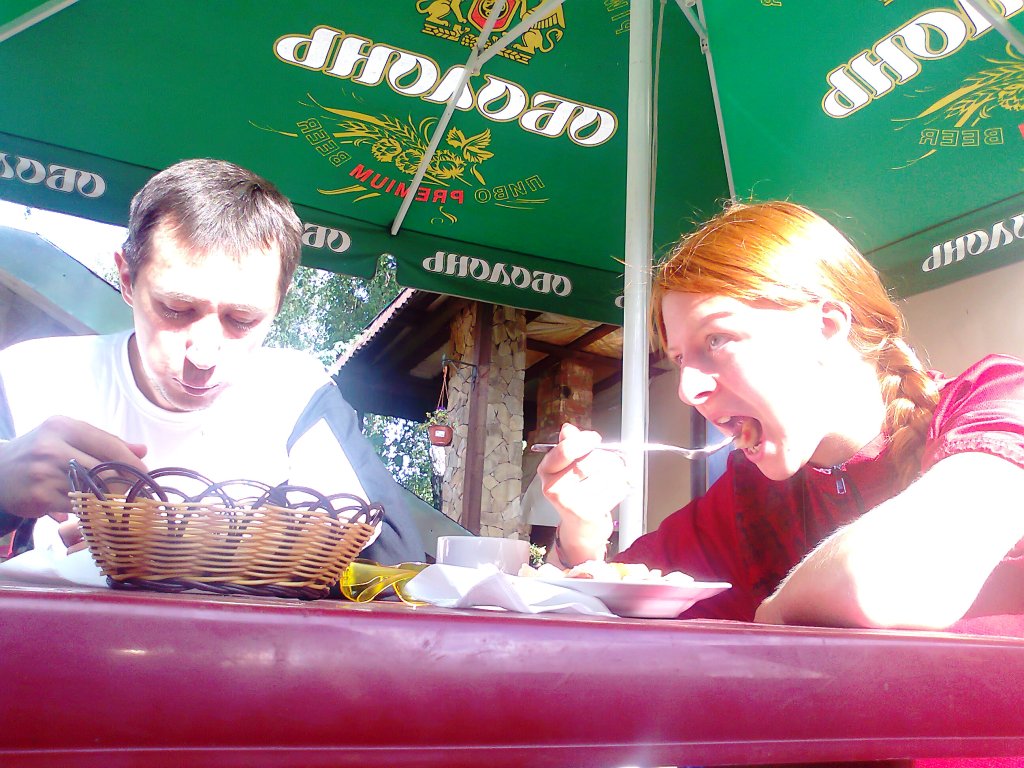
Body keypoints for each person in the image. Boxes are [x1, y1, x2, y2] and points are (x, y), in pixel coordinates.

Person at [537, 200, 1024, 631]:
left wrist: (772, 612)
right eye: (681, 358)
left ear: (826, 325)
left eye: (716, 339)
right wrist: (582, 531)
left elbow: (879, 581)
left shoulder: (998, 398)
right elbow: (602, 609)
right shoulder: (750, 495)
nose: (687, 390)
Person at [0, 157, 422, 565]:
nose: (203, 356)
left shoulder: (294, 391)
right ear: (127, 279)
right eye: (175, 309)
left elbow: (394, 556)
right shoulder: (29, 376)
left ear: (279, 302)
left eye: (242, 320)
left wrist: (190, 545)